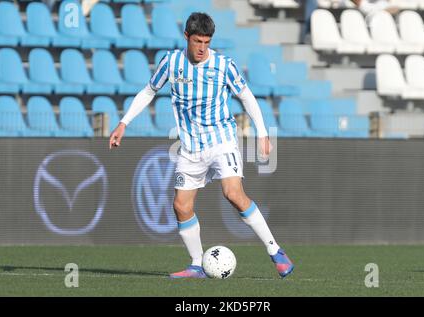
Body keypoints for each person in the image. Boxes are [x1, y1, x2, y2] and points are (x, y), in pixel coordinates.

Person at [109, 12, 294, 279]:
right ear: (187, 37)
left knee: (233, 193)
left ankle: (275, 251)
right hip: (190, 146)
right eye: (197, 41)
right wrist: (123, 123)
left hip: (222, 140)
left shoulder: (223, 65)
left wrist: (262, 132)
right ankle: (197, 264)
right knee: (181, 206)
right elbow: (149, 91)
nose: (202, 48)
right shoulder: (171, 62)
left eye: (207, 42)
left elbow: (247, 97)